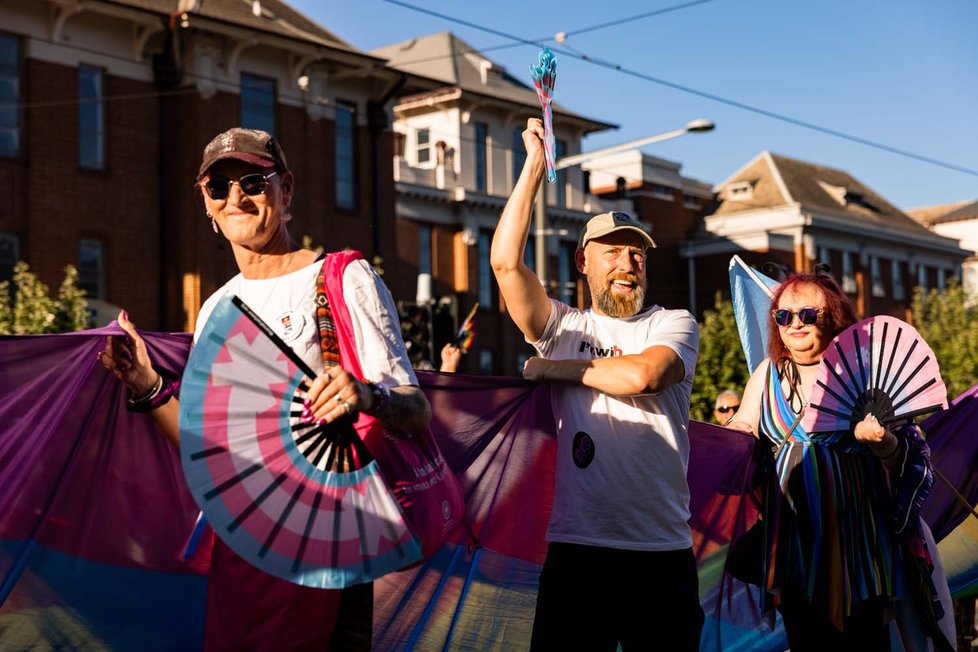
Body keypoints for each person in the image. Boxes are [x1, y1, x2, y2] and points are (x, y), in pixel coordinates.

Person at [98, 127, 430, 651]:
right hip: (246, 549)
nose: (236, 198)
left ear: (286, 189)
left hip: (330, 545)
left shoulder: (342, 278)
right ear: (205, 204)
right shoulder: (215, 309)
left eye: (254, 181)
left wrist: (368, 396)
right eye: (218, 188)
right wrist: (149, 385)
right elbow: (209, 455)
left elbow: (416, 410)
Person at [491, 117, 703, 651]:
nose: (626, 263)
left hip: (661, 554)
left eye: (636, 253)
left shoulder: (673, 323)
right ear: (584, 262)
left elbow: (643, 375)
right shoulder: (564, 327)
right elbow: (503, 261)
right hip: (579, 550)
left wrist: (552, 369)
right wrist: (534, 169)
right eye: (612, 251)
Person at [726, 270, 952, 651]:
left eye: (808, 314)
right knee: (807, 641)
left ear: (832, 317)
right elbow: (740, 431)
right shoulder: (766, 376)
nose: (795, 324)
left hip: (860, 554)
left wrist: (885, 445)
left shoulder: (866, 378)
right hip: (795, 555)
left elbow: (911, 463)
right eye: (784, 316)